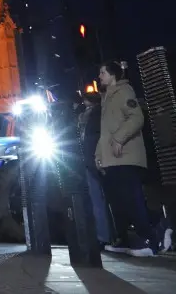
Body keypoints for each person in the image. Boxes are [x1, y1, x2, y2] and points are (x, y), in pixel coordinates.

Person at [96, 60, 154, 257]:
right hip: (111, 159)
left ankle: (148, 240)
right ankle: (123, 240)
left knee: (132, 198)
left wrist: (120, 138)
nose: (100, 76)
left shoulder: (125, 92)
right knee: (117, 202)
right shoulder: (105, 99)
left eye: (103, 72)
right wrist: (98, 155)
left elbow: (137, 118)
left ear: (113, 75)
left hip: (126, 157)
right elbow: (104, 133)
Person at [78, 90, 113, 247]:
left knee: (98, 199)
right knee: (101, 199)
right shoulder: (94, 114)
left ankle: (104, 236)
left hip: (95, 160)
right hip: (94, 159)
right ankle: (107, 235)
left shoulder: (93, 115)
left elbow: (93, 139)